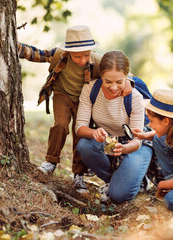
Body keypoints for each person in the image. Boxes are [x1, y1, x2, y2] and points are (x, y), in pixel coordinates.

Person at [17, 25, 132, 193]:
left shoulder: (98, 61)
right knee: (61, 125)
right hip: (62, 94)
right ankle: (51, 162)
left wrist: (128, 80)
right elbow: (37, 54)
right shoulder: (59, 55)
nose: (83, 60)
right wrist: (15, 46)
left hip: (83, 101)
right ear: (69, 51)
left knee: (80, 133)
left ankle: (79, 174)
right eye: (77, 56)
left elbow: (118, 71)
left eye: (86, 55)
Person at [75, 51, 153, 203]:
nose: (113, 87)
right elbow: (80, 127)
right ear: (101, 75)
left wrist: (124, 149)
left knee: (119, 197)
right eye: (108, 81)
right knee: (84, 145)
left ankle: (138, 179)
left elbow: (137, 140)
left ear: (127, 77)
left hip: (135, 144)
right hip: (108, 140)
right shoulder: (91, 89)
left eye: (119, 82)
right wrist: (94, 132)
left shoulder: (134, 96)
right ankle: (113, 181)